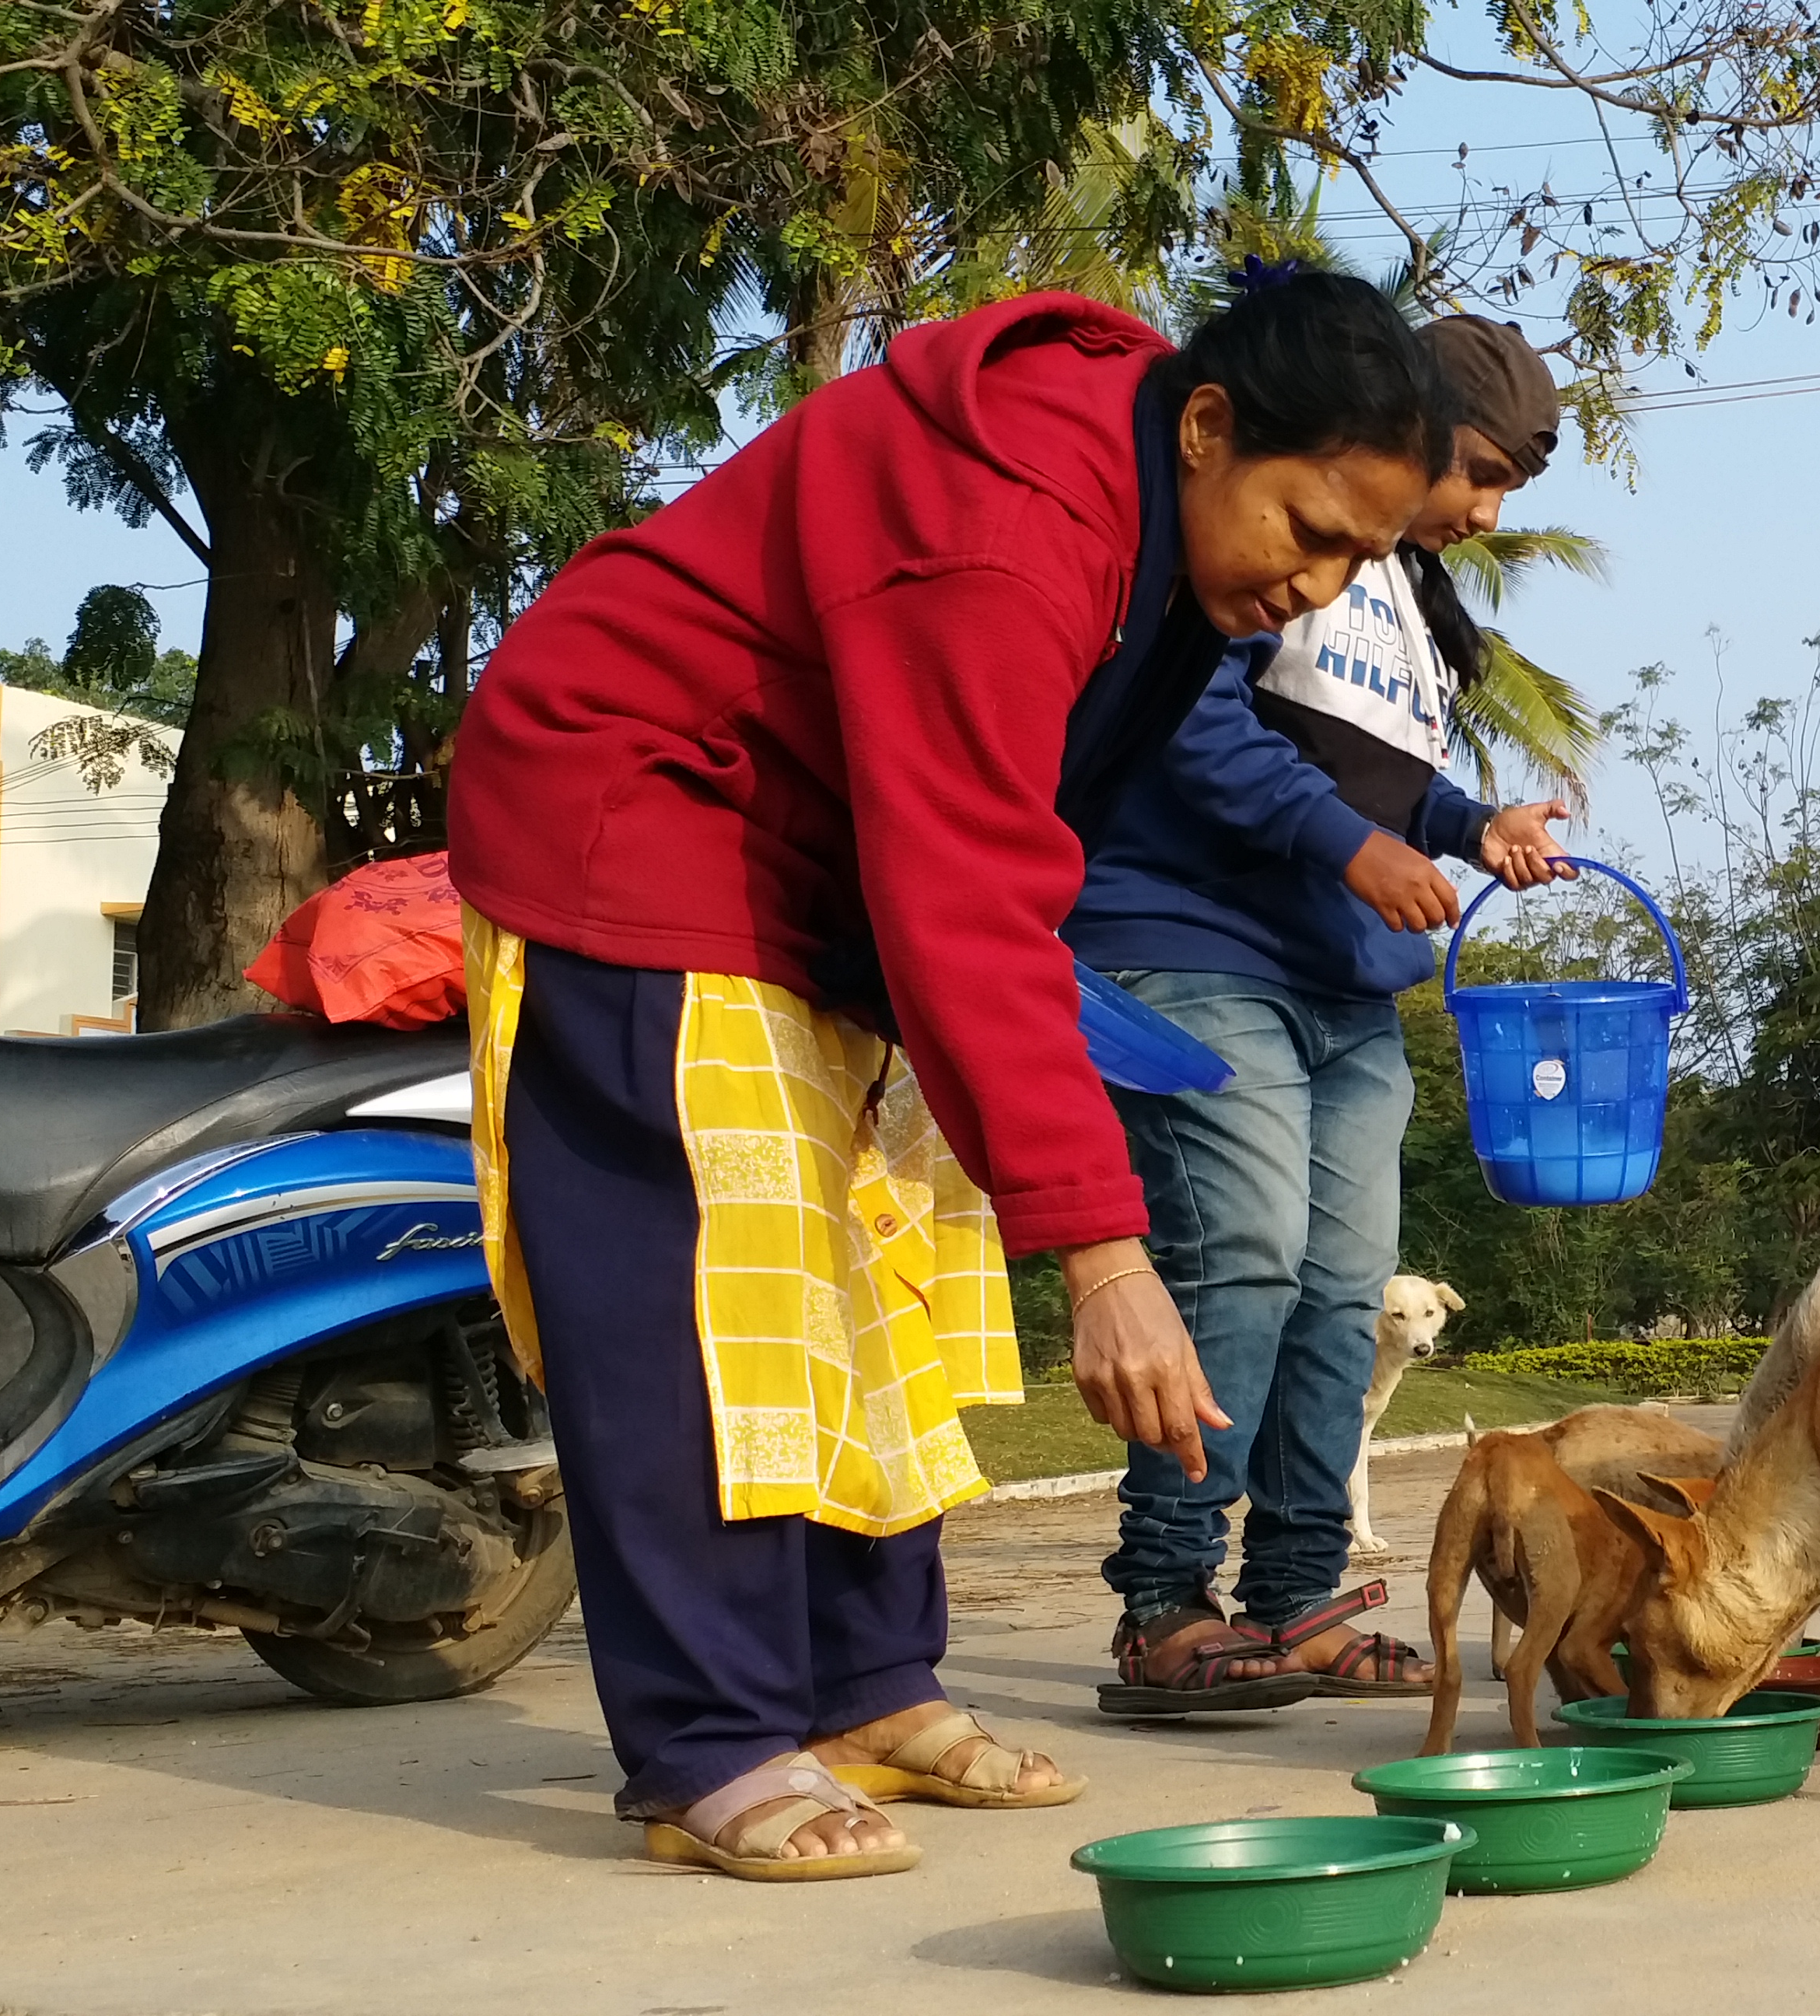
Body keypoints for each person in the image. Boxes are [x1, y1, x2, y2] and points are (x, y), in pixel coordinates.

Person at [444, 272, 1450, 1881]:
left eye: (1357, 561)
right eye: (1308, 529)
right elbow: (969, 877)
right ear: (1208, 431)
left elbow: (1021, 834)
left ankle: (862, 1685)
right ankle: (708, 1739)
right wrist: (1106, 1252)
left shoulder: (1153, 528)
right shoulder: (1012, 517)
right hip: (641, 811)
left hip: (816, 869)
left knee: (884, 1270)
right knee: (721, 1290)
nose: (1317, 586)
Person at [1064, 314, 1573, 1711]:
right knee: (1243, 1255)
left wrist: (1475, 826)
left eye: (1502, 493)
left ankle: (1296, 1598)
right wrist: (1348, 847)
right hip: (1196, 943)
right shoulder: (1269, 554)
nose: (1477, 510)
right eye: (1474, 473)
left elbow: (1379, 785)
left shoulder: (1402, 601)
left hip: (1346, 982)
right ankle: (1167, 1599)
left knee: (1345, 1287)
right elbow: (1184, 720)